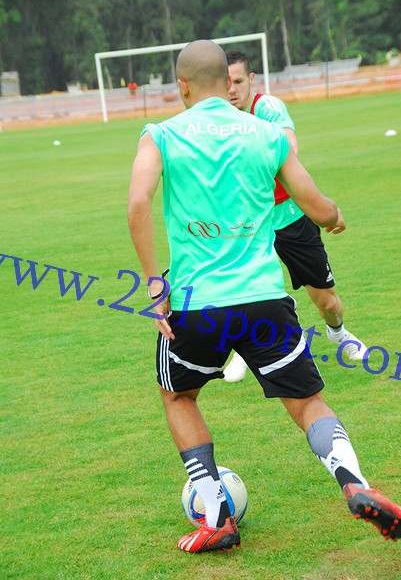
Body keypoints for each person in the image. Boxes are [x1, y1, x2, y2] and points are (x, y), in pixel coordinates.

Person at [128, 40, 401, 553]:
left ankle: (217, 516)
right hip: (264, 301)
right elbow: (315, 205)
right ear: (226, 82)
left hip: (196, 304)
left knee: (178, 396)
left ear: (182, 86)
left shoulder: (161, 134)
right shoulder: (266, 133)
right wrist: (333, 215)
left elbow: (138, 202)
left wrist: (153, 283)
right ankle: (354, 483)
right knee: (308, 402)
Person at [223, 50, 367, 383]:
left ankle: (338, 333)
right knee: (245, 293)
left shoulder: (267, 108)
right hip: (247, 223)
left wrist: (323, 209)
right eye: (225, 83)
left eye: (238, 81)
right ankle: (243, 350)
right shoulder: (216, 120)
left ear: (252, 80)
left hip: (290, 215)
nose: (231, 90)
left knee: (327, 302)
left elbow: (289, 151)